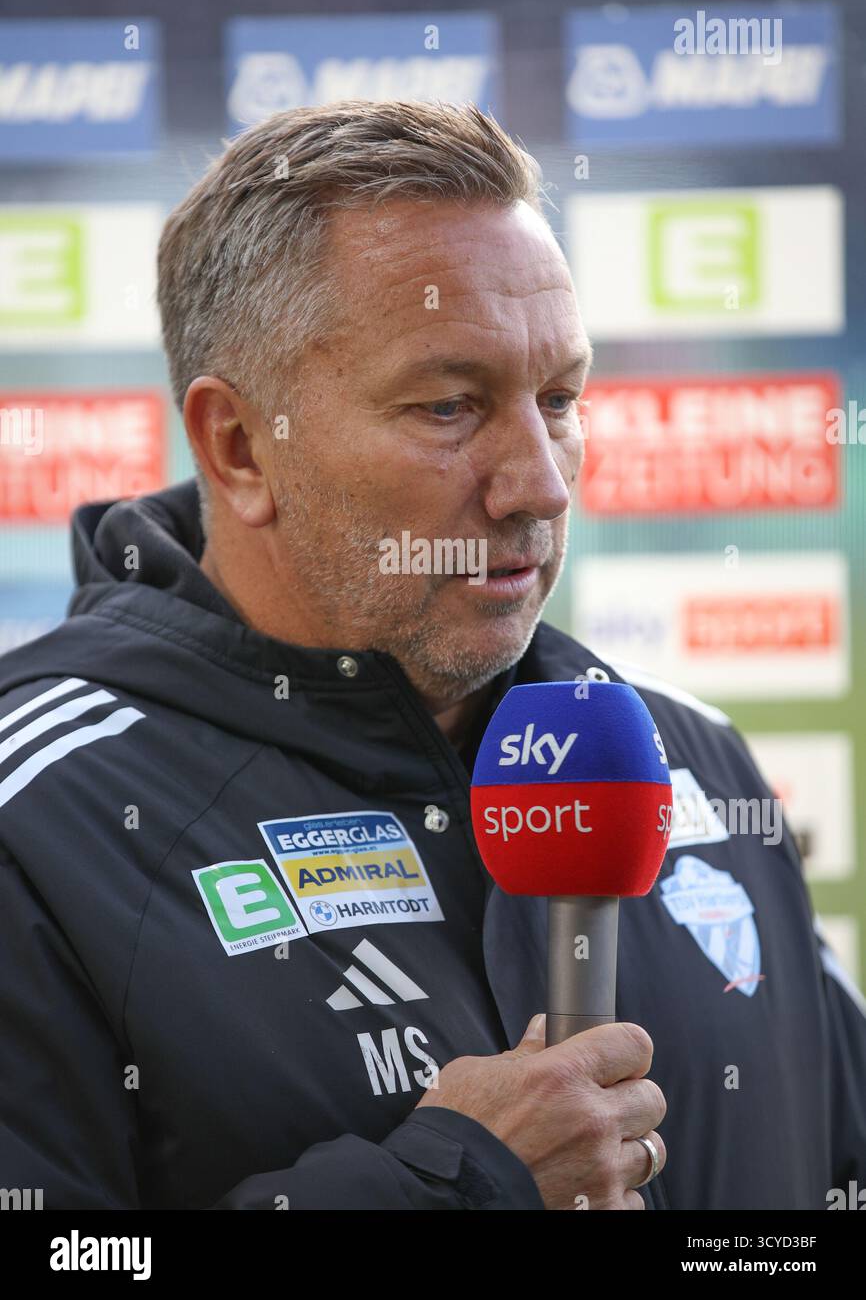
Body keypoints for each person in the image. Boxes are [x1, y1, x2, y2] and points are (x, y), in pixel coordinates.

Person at [0, 100, 863, 1211]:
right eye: (451, 406)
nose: (540, 483)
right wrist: (454, 1188)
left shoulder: (691, 765)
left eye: (558, 399)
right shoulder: (39, 823)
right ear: (239, 445)